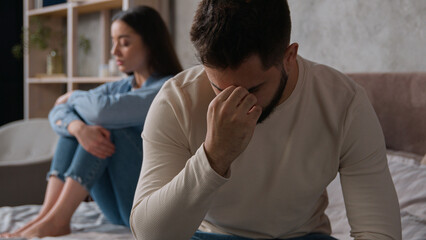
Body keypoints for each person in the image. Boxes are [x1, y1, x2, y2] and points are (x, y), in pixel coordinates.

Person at [130, 0, 402, 240]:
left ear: (289, 57)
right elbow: (149, 234)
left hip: (302, 236)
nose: (235, 105)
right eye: (219, 89)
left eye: (252, 90)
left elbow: (378, 230)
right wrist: (213, 158)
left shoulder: (344, 102)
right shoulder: (177, 100)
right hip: (209, 234)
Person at [1, 6, 182, 239]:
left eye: (124, 43)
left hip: (145, 206)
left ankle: (57, 220)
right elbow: (58, 111)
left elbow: (99, 111)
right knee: (77, 128)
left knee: (103, 128)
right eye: (113, 42)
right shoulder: (120, 87)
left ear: (151, 43)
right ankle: (47, 216)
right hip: (115, 208)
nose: (114, 51)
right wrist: (77, 128)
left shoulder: (168, 88)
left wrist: (73, 96)